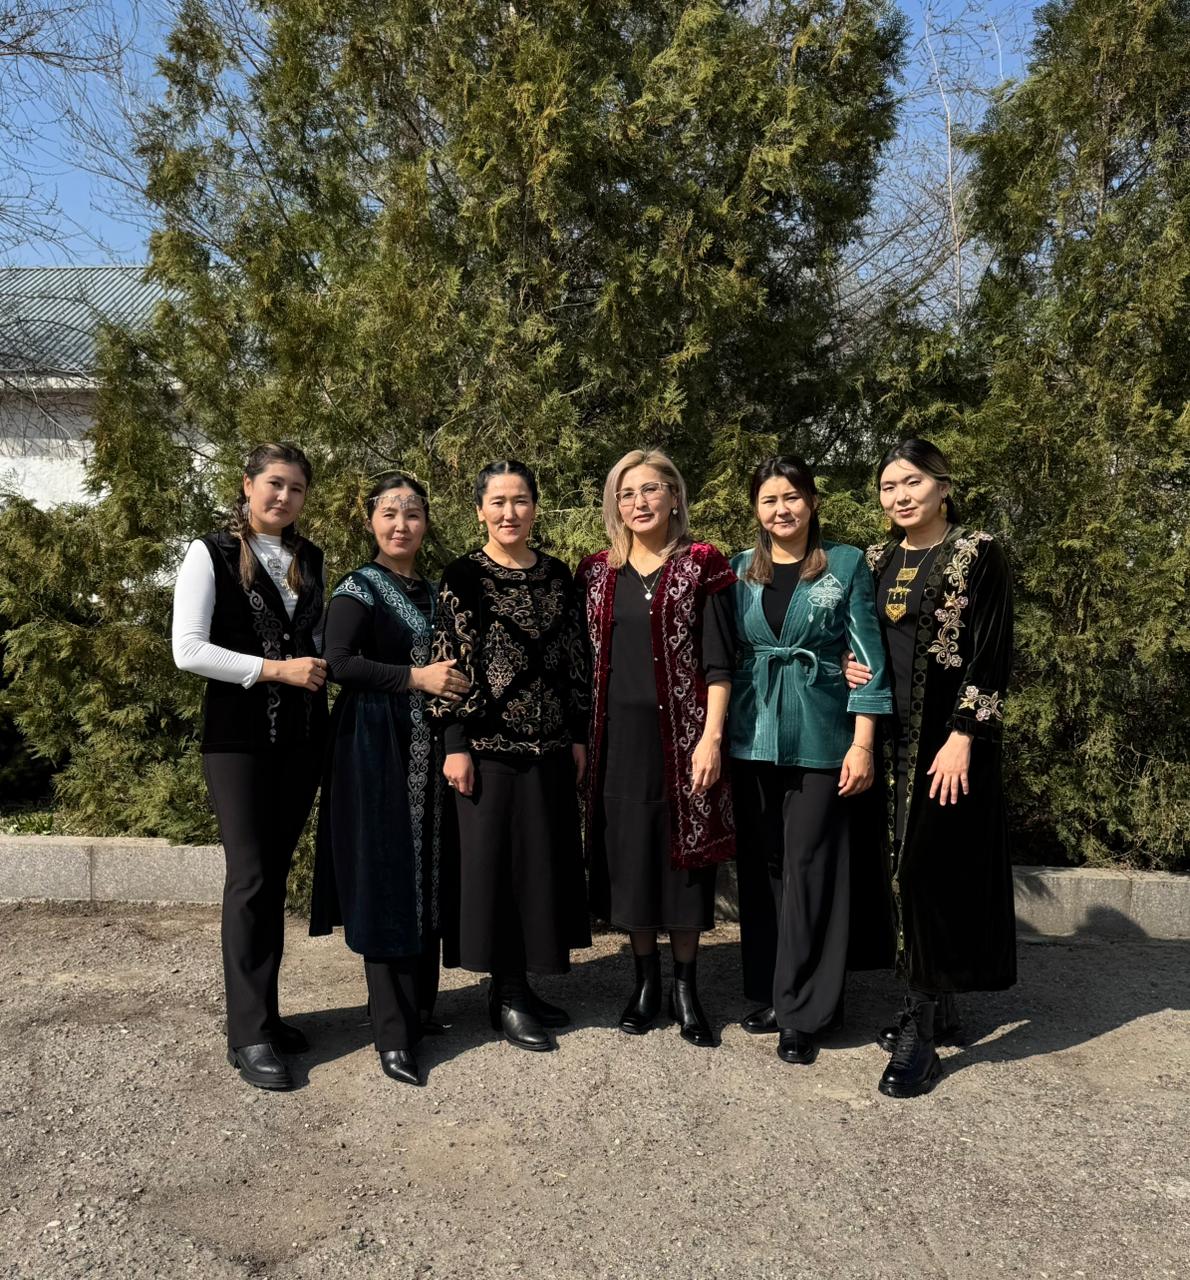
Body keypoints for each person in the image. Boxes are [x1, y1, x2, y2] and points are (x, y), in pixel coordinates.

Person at [846, 438, 1015, 1098]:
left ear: (943, 486)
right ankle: (935, 1005)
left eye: (913, 482)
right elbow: (861, 637)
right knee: (900, 873)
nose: (901, 496)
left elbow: (992, 652)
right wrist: (849, 666)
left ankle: (919, 1035)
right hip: (889, 740)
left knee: (928, 874)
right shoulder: (877, 558)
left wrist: (964, 734)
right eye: (889, 487)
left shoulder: (979, 552)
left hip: (948, 746)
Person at [172, 442, 329, 1092]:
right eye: (274, 484)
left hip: (301, 739)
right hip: (237, 741)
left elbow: (315, 641)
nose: (284, 497)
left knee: (274, 878)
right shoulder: (208, 552)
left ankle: (265, 1014)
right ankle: (247, 1035)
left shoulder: (309, 557)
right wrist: (274, 670)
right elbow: (188, 650)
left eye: (296, 488)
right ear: (247, 484)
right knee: (250, 877)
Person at [727, 456, 893, 1066]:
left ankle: (807, 1013)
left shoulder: (845, 564)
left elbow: (868, 660)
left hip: (824, 737)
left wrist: (863, 743)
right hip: (752, 736)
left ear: (813, 501)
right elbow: (726, 652)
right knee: (767, 868)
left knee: (811, 868)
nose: (782, 509)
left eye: (792, 496)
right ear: (757, 509)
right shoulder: (739, 569)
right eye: (769, 499)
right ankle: (781, 993)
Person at [309, 474, 468, 1086]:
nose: (402, 524)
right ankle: (392, 1034)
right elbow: (339, 662)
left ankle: (419, 1010)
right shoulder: (358, 588)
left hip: (428, 747)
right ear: (371, 521)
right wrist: (414, 679)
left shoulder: (434, 590)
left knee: (425, 872)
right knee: (386, 875)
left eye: (413, 513)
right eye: (390, 513)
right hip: (374, 747)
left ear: (426, 521)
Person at [427, 460, 591, 1052]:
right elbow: (447, 664)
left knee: (540, 868)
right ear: (479, 511)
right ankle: (509, 994)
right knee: (497, 871)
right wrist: (454, 744)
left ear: (535, 507)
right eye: (497, 502)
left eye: (520, 501)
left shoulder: (557, 575)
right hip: (487, 750)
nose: (509, 513)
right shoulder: (463, 575)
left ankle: (519, 984)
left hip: (550, 748)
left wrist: (578, 734)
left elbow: (576, 660)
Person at [576, 448, 736, 1049]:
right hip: (616, 743)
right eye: (626, 493)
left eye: (649, 490)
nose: (638, 502)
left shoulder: (703, 563)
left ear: (673, 496)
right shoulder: (596, 572)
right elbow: (579, 665)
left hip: (686, 740)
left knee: (684, 866)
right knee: (631, 859)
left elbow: (720, 663)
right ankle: (645, 983)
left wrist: (711, 738)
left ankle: (686, 988)